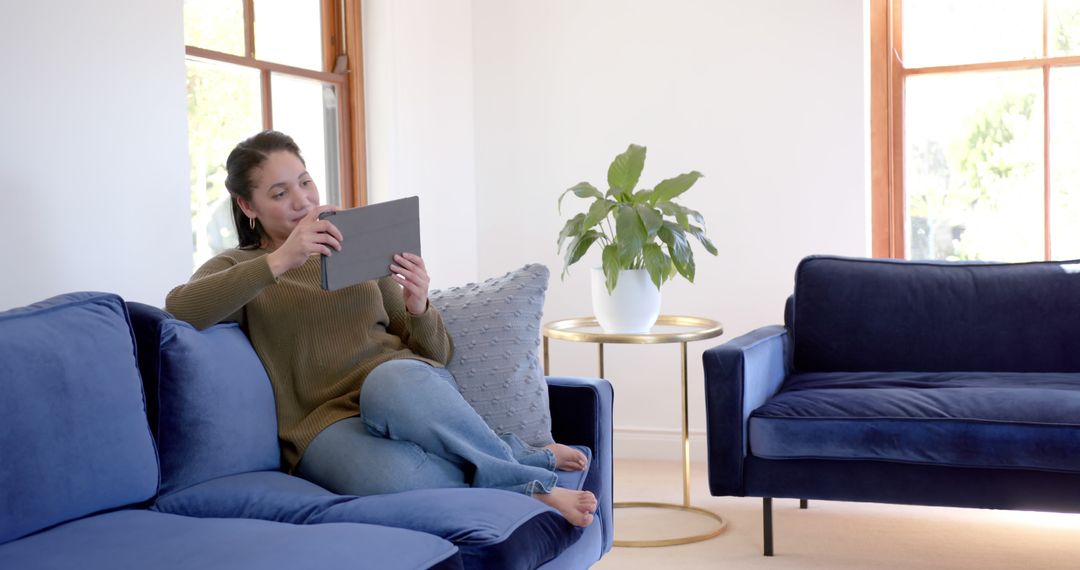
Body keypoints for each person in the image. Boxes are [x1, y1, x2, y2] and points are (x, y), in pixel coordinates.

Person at [166, 130, 596, 527]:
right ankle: (520, 456)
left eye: (305, 182)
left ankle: (527, 486)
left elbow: (436, 355)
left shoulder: (351, 244)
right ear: (247, 206)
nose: (301, 200)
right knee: (398, 483)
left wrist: (419, 304)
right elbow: (182, 309)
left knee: (390, 377)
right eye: (280, 193)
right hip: (322, 426)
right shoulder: (240, 268)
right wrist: (280, 261)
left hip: (398, 390)